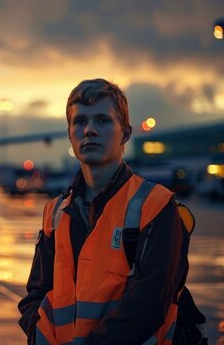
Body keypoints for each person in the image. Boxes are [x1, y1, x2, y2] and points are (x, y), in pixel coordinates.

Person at [18, 78, 189, 344]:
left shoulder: (156, 206)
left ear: (125, 133)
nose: (89, 130)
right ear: (70, 134)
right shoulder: (55, 212)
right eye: (80, 122)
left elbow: (148, 308)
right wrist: (36, 333)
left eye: (103, 120)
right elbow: (35, 295)